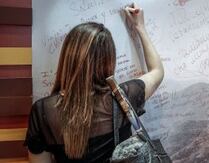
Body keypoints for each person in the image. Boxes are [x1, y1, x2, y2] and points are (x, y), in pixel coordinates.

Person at [24, 3, 163, 162]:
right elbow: (157, 71)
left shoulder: (43, 111)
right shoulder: (124, 96)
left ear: (67, 58)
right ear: (109, 60)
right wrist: (140, 27)